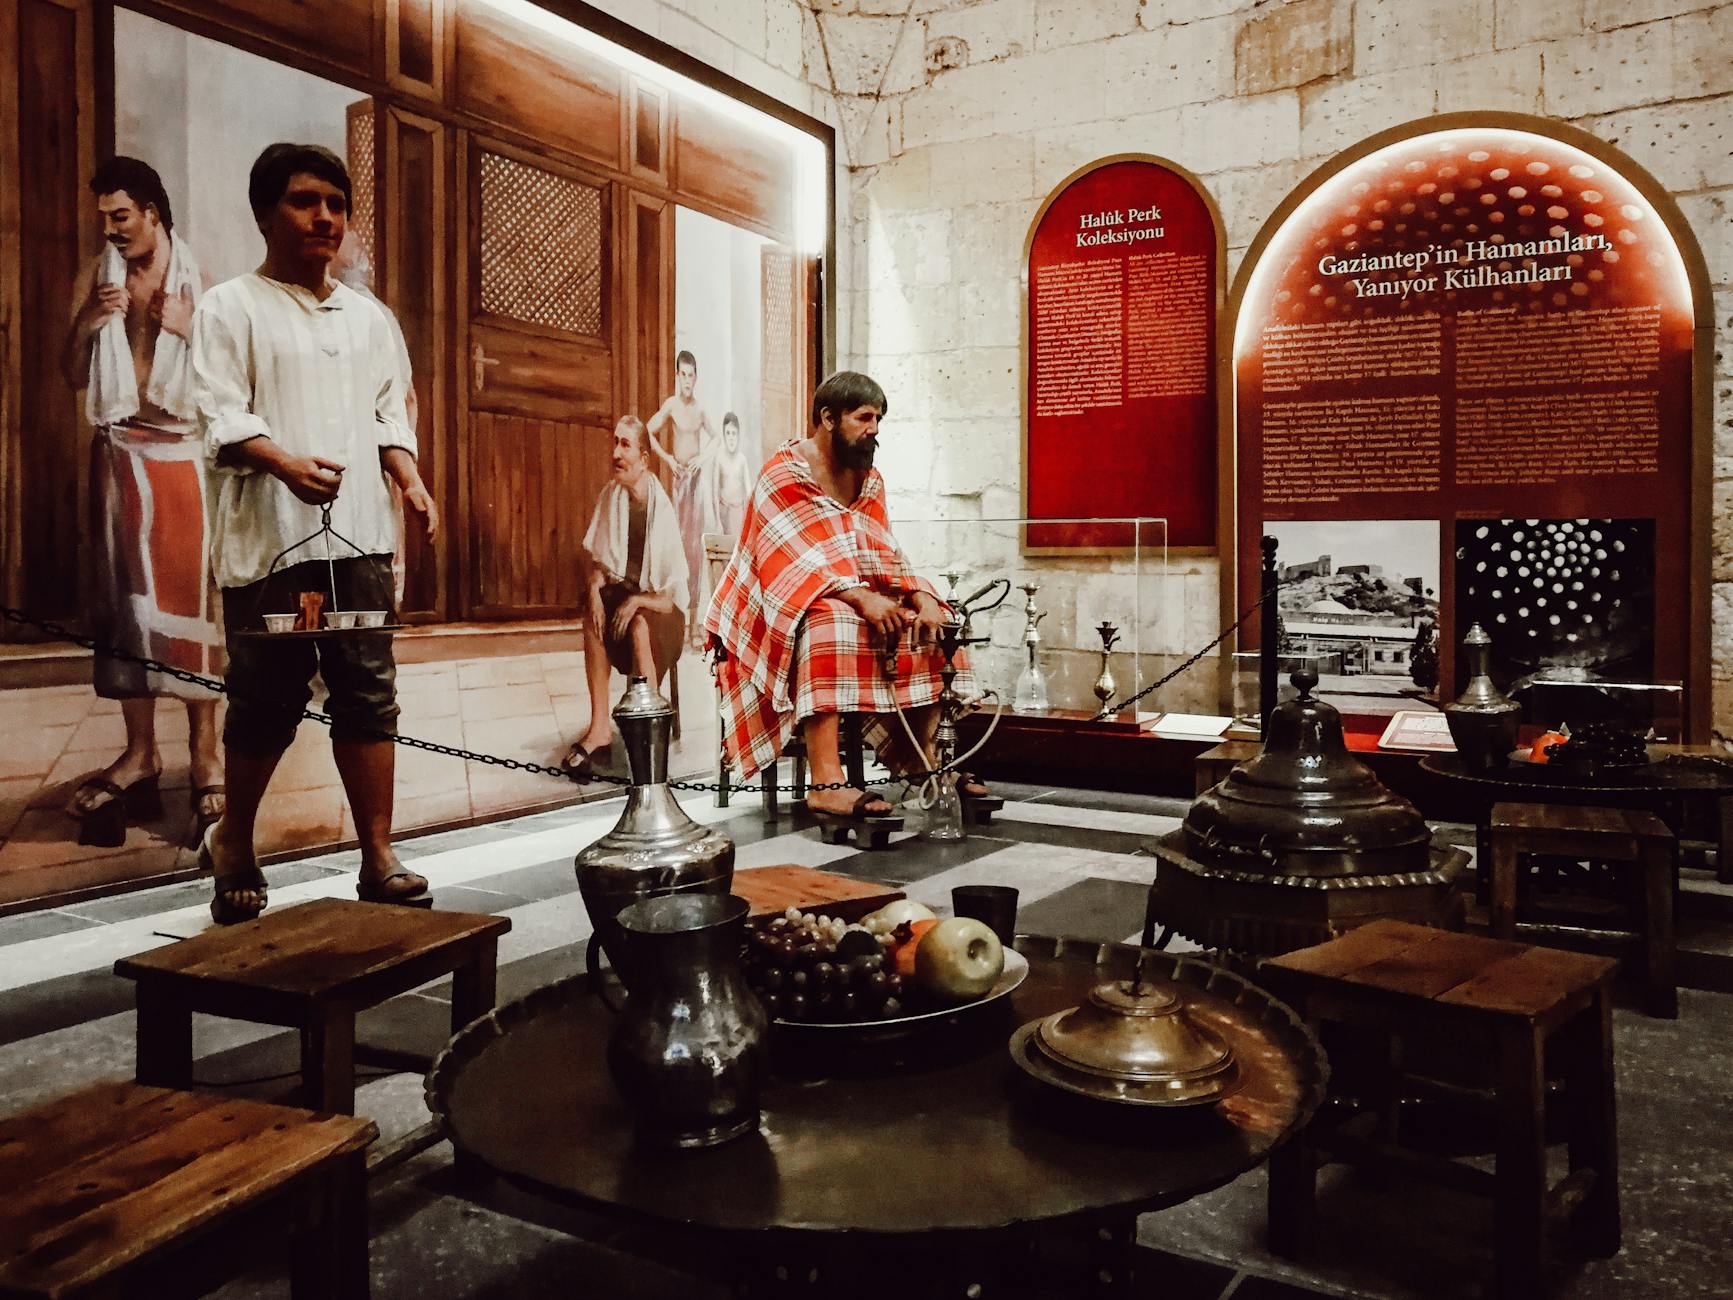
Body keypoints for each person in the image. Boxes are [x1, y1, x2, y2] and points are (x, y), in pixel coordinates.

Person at [190, 142, 438, 923]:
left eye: (336, 203)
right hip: (272, 548)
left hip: (358, 544)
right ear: (266, 213)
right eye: (305, 201)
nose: (324, 217)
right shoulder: (230, 307)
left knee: (368, 692)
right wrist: (283, 463)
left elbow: (387, 414)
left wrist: (409, 477)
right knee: (266, 697)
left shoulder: (369, 318)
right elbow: (220, 413)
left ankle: (378, 855)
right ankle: (234, 842)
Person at [705, 370, 990, 818]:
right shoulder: (782, 474)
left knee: (932, 621)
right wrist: (859, 598)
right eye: (864, 418)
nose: (874, 429)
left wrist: (921, 598)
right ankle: (826, 781)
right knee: (828, 624)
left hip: (841, 594)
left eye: (878, 419)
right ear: (828, 418)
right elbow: (787, 564)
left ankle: (926, 765)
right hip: (768, 607)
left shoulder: (868, 479)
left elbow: (882, 552)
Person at [58, 156, 224, 848]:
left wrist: (188, 331)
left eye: (121, 216)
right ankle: (141, 754)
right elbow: (70, 372)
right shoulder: (98, 280)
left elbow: (226, 382)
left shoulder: (198, 286)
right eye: (104, 219)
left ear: (153, 213)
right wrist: (93, 321)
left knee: (190, 609)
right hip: (119, 451)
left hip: (181, 454)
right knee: (124, 609)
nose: (112, 229)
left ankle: (206, 759)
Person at [562, 416, 688, 775]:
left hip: (662, 616)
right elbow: (604, 566)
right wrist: (594, 589)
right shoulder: (612, 496)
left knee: (639, 627)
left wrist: (636, 602)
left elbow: (673, 595)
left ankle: (649, 733)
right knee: (593, 611)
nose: (616, 453)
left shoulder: (660, 509)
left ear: (645, 459)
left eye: (625, 445)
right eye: (615, 443)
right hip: (630, 605)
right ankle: (600, 728)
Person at [646, 350, 714, 645]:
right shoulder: (671, 405)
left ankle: (695, 623)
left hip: (695, 484)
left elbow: (717, 437)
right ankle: (675, 621)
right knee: (676, 546)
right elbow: (648, 432)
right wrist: (668, 460)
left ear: (696, 377)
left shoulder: (699, 409)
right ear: (677, 376)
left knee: (695, 550)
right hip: (678, 482)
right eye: (683, 375)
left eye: (691, 375)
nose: (687, 380)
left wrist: (702, 457)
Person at [701, 410, 753, 538]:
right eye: (728, 433)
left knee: (737, 546)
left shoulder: (742, 460)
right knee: (725, 547)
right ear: (724, 435)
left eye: (734, 433)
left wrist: (748, 519)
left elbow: (748, 492)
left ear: (738, 435)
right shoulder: (719, 459)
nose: (731, 437)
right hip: (724, 511)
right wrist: (718, 521)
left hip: (738, 512)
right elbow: (714, 492)